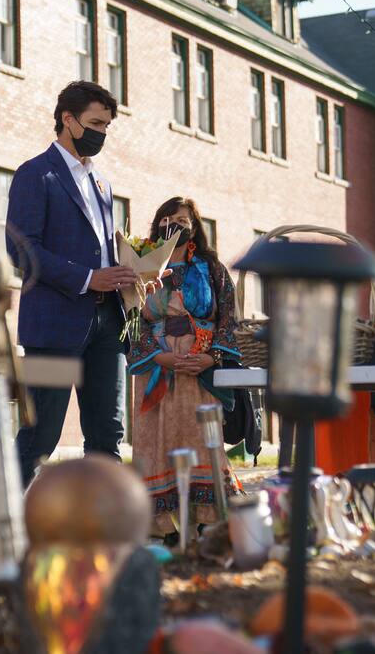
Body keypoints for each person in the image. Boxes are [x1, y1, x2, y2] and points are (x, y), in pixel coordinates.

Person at [7, 81, 140, 485]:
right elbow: (22, 250)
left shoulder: (102, 183)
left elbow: (101, 251)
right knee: (39, 435)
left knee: (108, 435)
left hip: (108, 326)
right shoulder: (35, 174)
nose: (102, 132)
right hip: (52, 326)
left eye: (107, 125)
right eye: (95, 122)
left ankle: (105, 532)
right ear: (68, 119)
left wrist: (135, 275)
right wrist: (88, 278)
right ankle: (4, 529)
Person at [126, 197, 244, 540]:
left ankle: (208, 516)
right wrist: (156, 356)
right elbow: (132, 319)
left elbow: (228, 316)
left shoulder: (211, 268)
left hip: (198, 366)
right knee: (157, 441)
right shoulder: (143, 266)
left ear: (195, 227)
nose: (176, 224)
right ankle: (164, 525)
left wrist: (211, 358)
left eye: (184, 220)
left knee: (200, 438)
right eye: (170, 218)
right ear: (159, 223)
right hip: (157, 368)